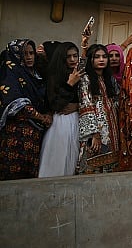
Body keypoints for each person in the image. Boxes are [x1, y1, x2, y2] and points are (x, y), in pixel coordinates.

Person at [0, 39, 51, 180]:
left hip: (35, 134)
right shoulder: (9, 72)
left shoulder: (37, 75)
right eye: (25, 53)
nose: (29, 57)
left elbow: (45, 99)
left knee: (30, 177)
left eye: (31, 53)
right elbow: (16, 103)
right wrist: (42, 117)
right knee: (13, 175)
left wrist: (48, 114)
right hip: (16, 134)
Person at [39, 42, 84, 177]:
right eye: (68, 56)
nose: (72, 60)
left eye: (75, 56)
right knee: (58, 161)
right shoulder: (54, 76)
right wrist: (70, 84)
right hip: (62, 122)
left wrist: (77, 106)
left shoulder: (82, 74)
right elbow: (56, 104)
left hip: (79, 119)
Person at [78, 44, 120, 174]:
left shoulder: (109, 78)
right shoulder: (86, 79)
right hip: (96, 130)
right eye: (97, 57)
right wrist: (94, 133)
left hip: (112, 128)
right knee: (92, 164)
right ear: (91, 60)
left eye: (104, 57)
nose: (101, 60)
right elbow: (86, 106)